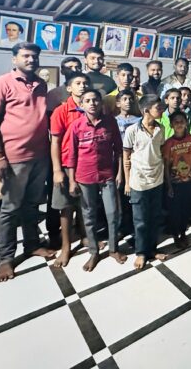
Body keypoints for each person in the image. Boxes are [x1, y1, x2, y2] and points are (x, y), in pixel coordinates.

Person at [0, 42, 55, 282]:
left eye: (34, 56)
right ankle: (5, 259)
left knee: (32, 204)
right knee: (10, 208)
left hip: (40, 155)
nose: (31, 60)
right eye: (26, 56)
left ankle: (32, 245)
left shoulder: (41, 84)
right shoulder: (1, 84)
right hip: (13, 157)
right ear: (14, 59)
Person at [65, 89, 126, 272]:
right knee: (89, 215)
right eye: (88, 101)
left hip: (107, 175)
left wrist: (119, 173)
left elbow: (119, 149)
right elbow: (71, 156)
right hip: (84, 177)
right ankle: (93, 252)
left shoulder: (110, 122)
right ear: (82, 105)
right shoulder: (76, 126)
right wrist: (72, 181)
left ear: (101, 103)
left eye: (95, 100)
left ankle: (114, 249)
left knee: (112, 213)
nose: (92, 103)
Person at [48, 72, 90, 267]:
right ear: (69, 88)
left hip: (87, 164)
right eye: (78, 83)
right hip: (66, 165)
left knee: (85, 204)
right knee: (66, 208)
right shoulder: (61, 111)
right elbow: (55, 142)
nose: (82, 86)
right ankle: (66, 247)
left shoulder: (92, 108)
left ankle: (85, 236)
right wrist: (57, 170)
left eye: (85, 83)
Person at [122, 95, 168, 269]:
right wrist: (127, 182)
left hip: (157, 179)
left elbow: (160, 151)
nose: (162, 110)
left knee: (155, 217)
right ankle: (141, 253)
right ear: (146, 110)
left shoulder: (161, 128)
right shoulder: (132, 130)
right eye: (158, 107)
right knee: (140, 220)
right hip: (138, 182)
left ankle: (152, 249)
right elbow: (126, 157)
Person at [163, 110, 191, 248]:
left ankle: (183, 232)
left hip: (188, 180)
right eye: (176, 122)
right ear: (171, 125)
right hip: (175, 183)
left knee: (186, 208)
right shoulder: (168, 143)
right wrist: (169, 185)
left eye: (182, 121)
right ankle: (175, 235)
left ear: (186, 123)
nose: (179, 124)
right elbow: (166, 165)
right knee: (175, 211)